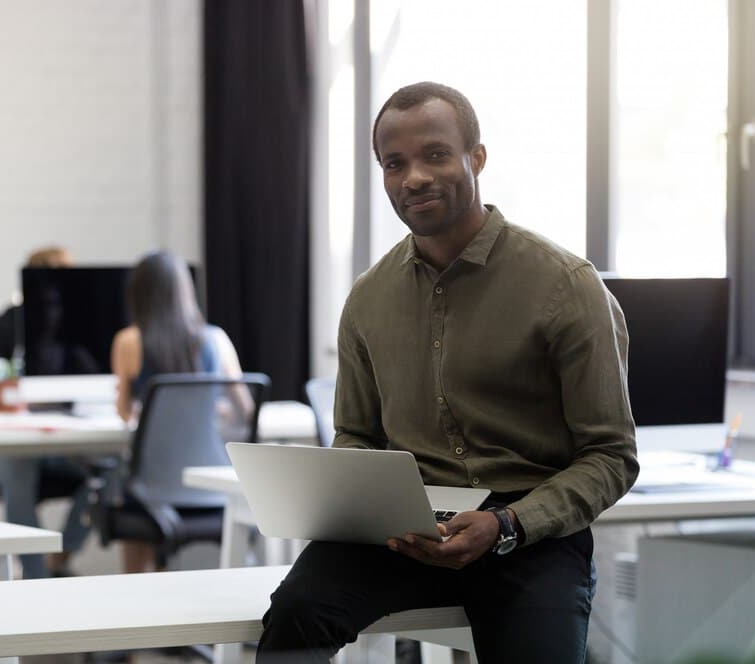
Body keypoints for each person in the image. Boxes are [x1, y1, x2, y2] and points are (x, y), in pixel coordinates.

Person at [256, 82, 640, 663]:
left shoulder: (566, 286)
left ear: (476, 158)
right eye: (395, 163)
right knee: (293, 617)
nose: (413, 177)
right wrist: (366, 499)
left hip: (526, 533)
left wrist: (507, 524)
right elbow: (356, 435)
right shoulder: (367, 298)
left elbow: (612, 455)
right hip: (403, 530)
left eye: (435, 154)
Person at [110, 250, 248, 573]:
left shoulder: (129, 342)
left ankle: (135, 590)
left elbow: (123, 413)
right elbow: (245, 411)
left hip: (153, 489)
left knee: (129, 487)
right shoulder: (217, 341)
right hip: (213, 487)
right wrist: (208, 409)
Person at [0, 245, 92, 579]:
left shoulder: (78, 340)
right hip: (14, 445)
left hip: (65, 446)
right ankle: (37, 580)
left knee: (113, 473)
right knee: (18, 472)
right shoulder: (5, 325)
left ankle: (62, 555)